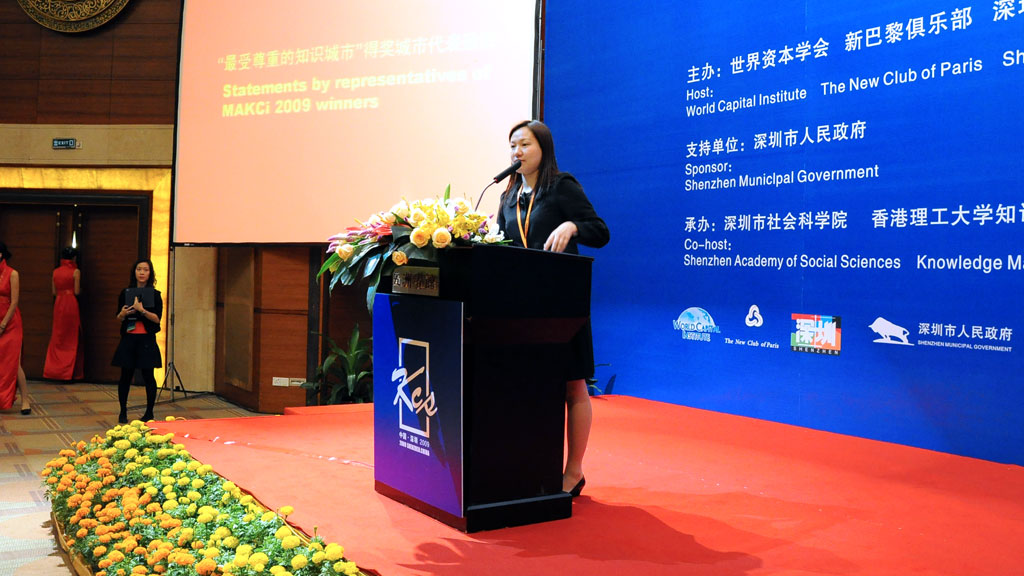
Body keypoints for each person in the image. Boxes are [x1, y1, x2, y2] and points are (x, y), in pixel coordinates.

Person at [496, 120, 610, 497]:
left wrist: (573, 226)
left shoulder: (561, 186)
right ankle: (529, 464)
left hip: (562, 304)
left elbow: (600, 231)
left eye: (524, 145)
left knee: (572, 384)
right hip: (521, 307)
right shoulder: (509, 196)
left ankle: (573, 470)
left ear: (543, 148)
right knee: (528, 384)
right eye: (513, 146)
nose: (517, 152)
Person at [111, 258, 163, 424]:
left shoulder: (155, 295)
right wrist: (123, 314)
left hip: (146, 339)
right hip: (129, 338)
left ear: (150, 273)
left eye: (145, 270)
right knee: (125, 375)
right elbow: (118, 317)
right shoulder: (125, 292)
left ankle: (149, 412)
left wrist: (142, 311)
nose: (142, 273)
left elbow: (157, 319)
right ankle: (123, 411)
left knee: (148, 375)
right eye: (139, 269)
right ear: (134, 272)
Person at [43, 247, 84, 380]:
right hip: (70, 303)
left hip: (59, 303)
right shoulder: (76, 271)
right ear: (74, 258)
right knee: (71, 336)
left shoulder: (55, 272)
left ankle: (54, 370)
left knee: (58, 336)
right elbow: (76, 291)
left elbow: (54, 292)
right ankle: (68, 372)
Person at [0, 242, 31, 415]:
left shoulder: (13, 274)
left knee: (14, 362)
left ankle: (25, 400)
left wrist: (3, 324)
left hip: (10, 323)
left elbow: (14, 302)